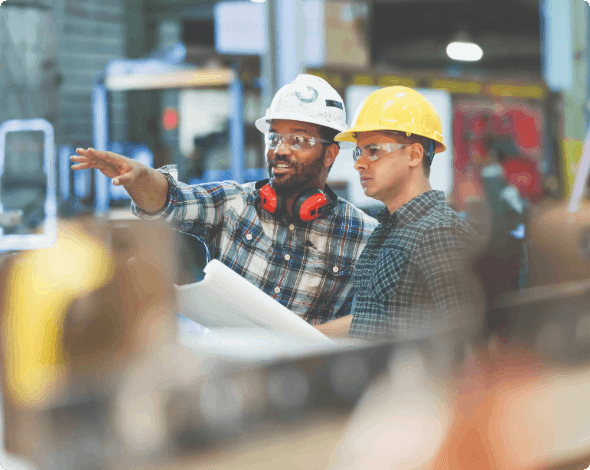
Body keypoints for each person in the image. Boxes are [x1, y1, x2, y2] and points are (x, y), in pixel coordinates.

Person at [71, 74, 378, 325]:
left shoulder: (364, 236)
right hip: (226, 374)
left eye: (298, 139)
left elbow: (370, 322)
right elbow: (170, 200)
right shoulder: (234, 204)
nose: (281, 150)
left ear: (330, 153)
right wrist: (140, 177)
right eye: (275, 137)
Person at [317, 86, 482, 340]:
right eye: (359, 152)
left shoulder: (440, 233)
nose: (359, 163)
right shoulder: (386, 231)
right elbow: (371, 319)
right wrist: (304, 335)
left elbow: (469, 335)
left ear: (414, 154)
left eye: (373, 150)